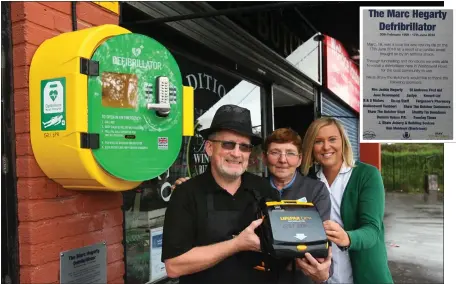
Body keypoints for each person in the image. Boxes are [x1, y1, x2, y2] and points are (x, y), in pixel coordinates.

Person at [171, 126, 333, 283]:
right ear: (264, 157)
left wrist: (321, 272)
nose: (283, 160)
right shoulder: (255, 188)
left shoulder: (316, 190)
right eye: (275, 152)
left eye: (290, 153)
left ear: (300, 159)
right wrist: (190, 188)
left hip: (297, 277)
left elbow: (318, 242)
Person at [161, 105, 281, 284]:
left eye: (244, 147)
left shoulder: (265, 190)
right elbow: (174, 266)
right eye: (228, 144)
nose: (236, 153)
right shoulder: (186, 194)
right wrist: (236, 244)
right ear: (209, 148)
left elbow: (282, 247)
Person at [301, 117, 394, 284]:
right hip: (324, 276)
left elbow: (373, 230)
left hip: (366, 276)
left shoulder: (367, 175)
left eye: (332, 139)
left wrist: (348, 237)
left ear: (343, 142)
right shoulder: (308, 182)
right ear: (311, 147)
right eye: (318, 141)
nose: (326, 147)